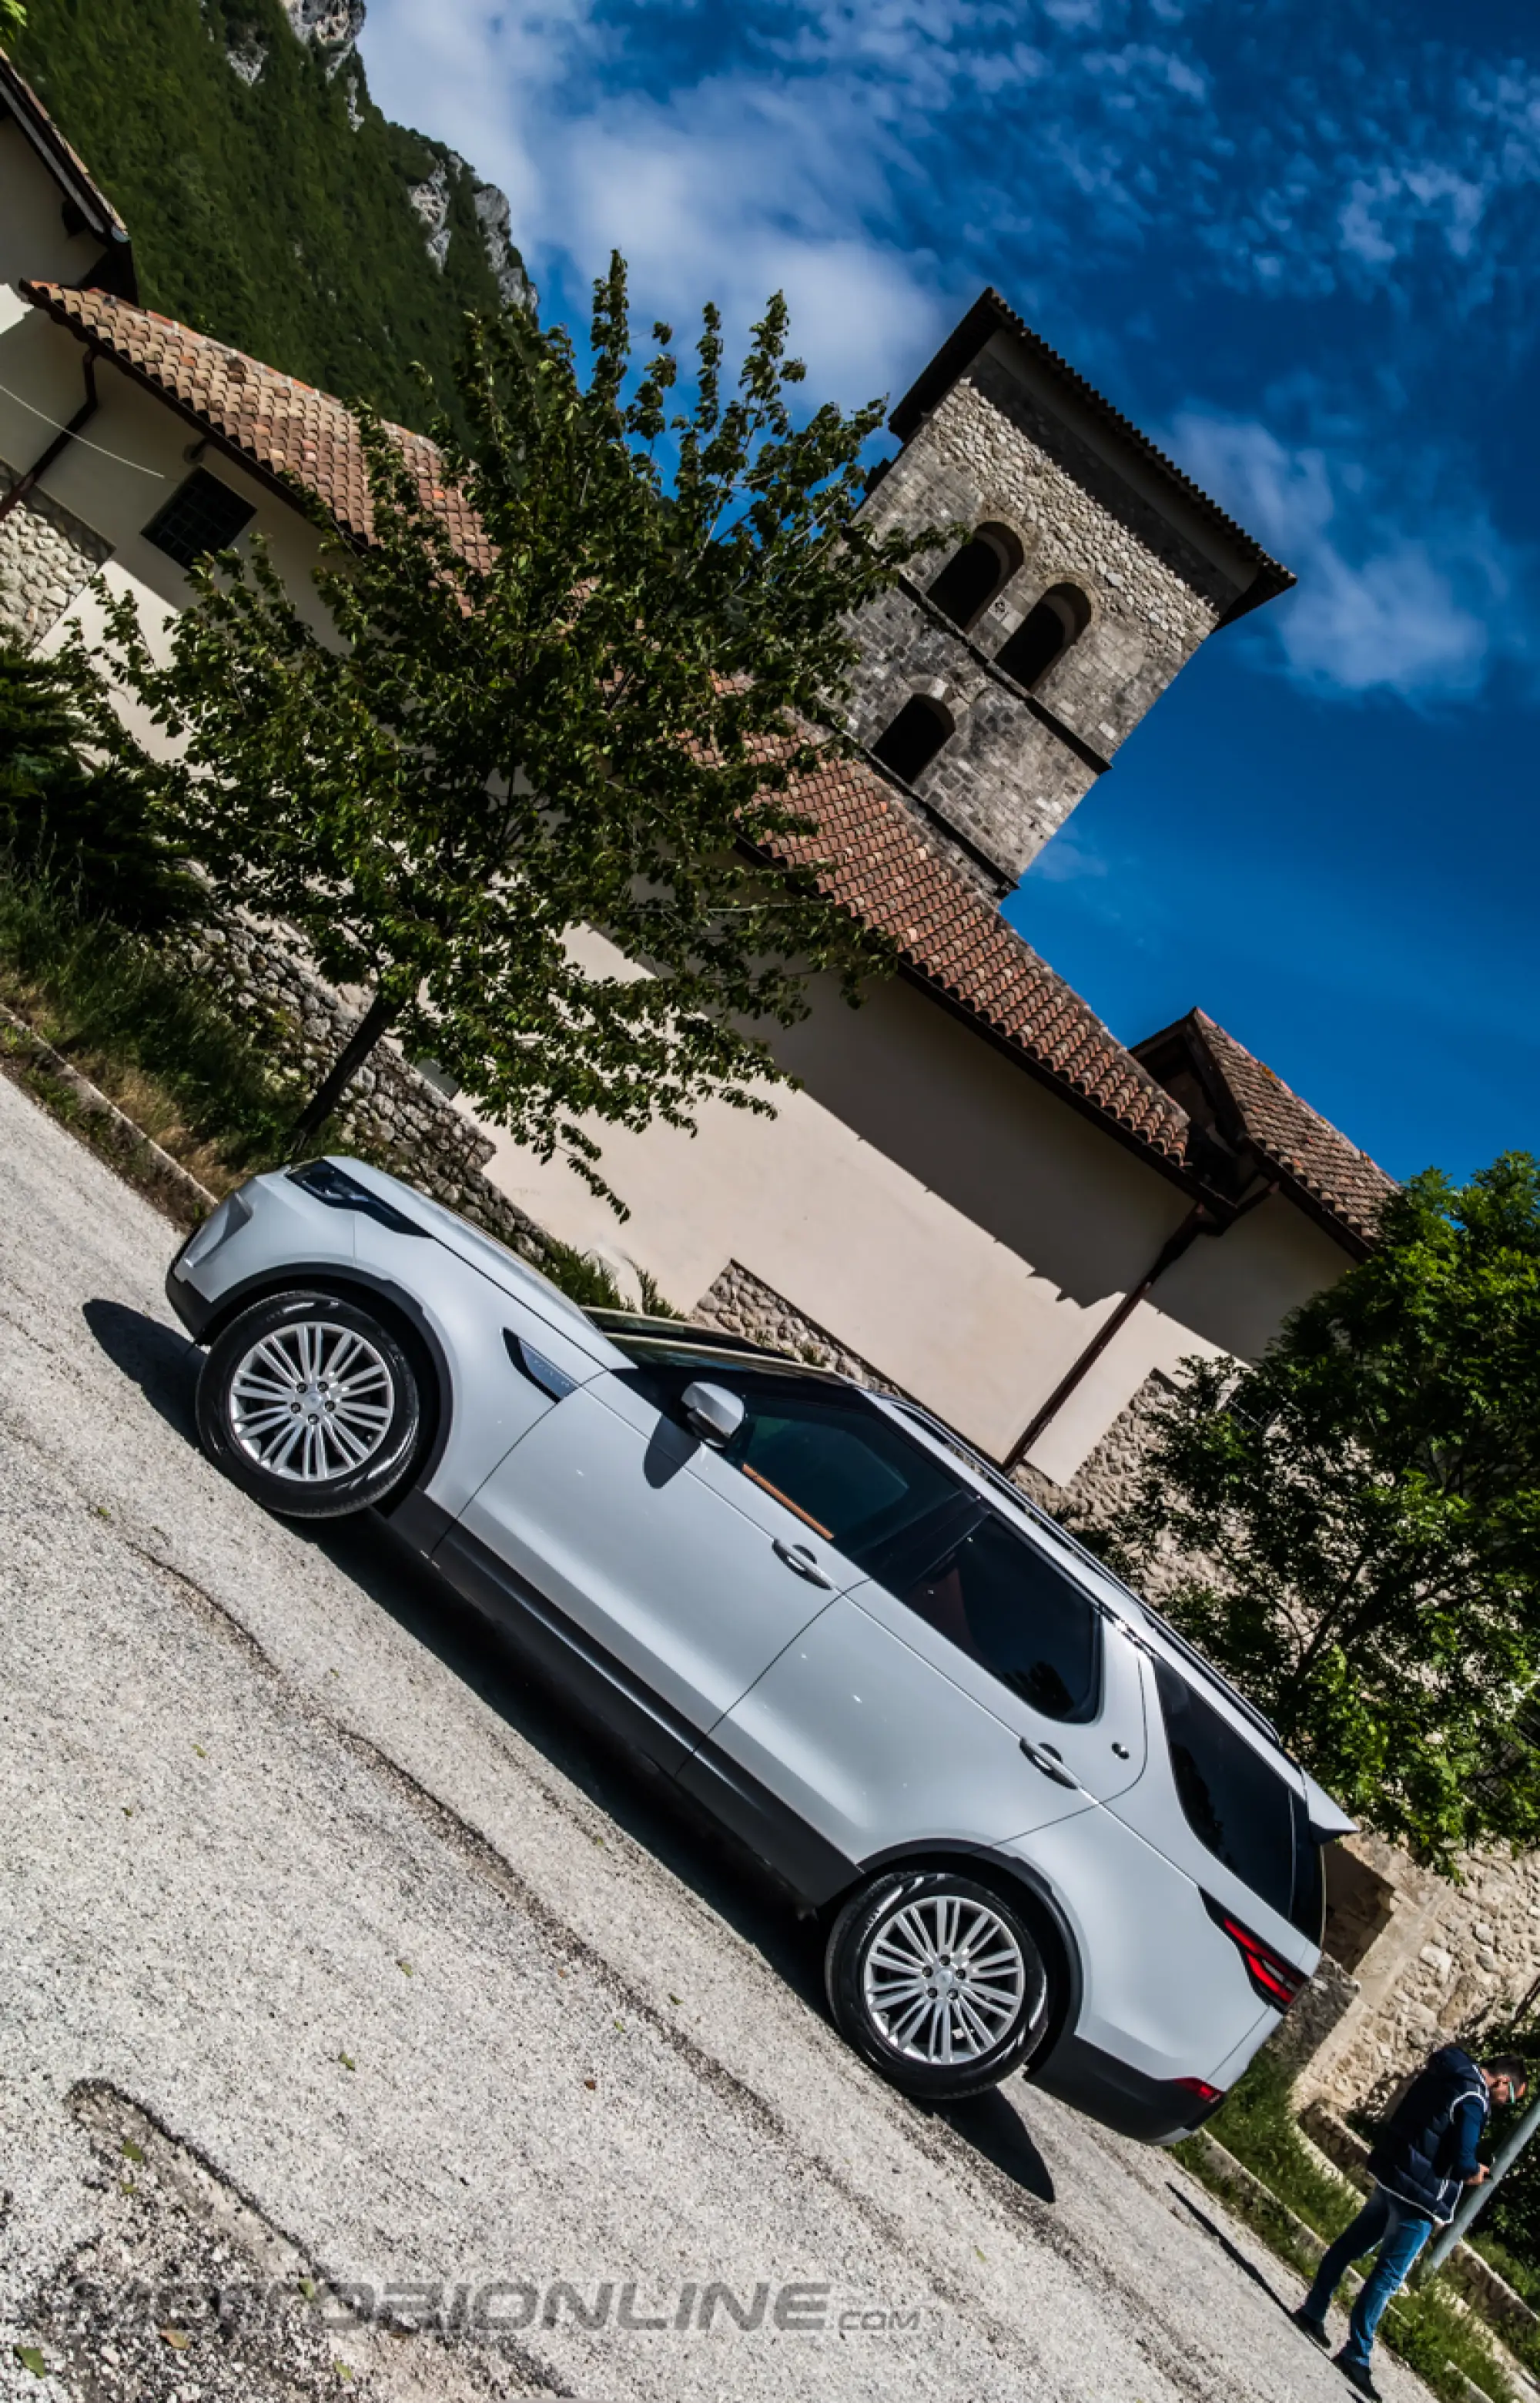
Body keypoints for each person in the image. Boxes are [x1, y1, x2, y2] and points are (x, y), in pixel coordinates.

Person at [1292, 2047, 1527, 2398]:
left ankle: (1313, 2310)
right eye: (1508, 2097)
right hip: (1422, 2197)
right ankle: (1356, 2353)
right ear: (1503, 2081)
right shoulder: (1474, 2099)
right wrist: (1474, 2173)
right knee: (1387, 2276)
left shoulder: (1447, 2071)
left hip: (1395, 2175)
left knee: (1349, 2246)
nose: (1503, 2103)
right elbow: (1462, 2159)